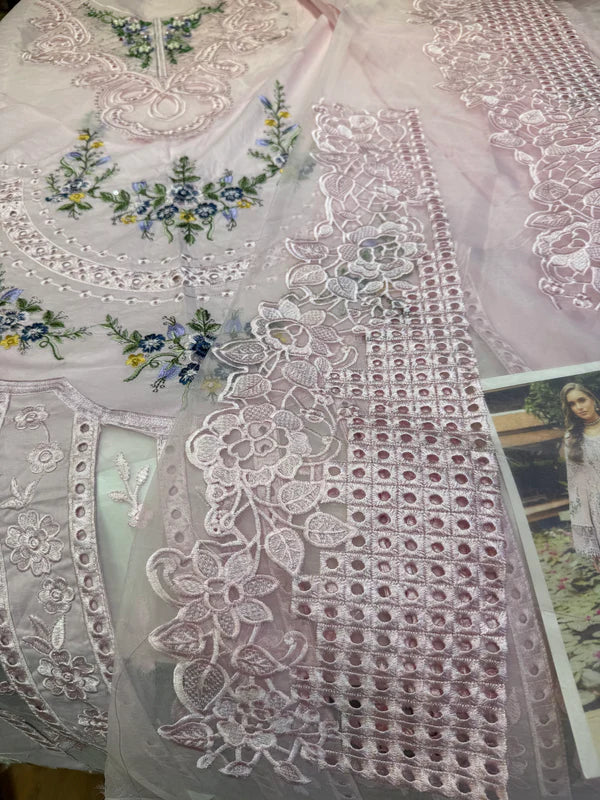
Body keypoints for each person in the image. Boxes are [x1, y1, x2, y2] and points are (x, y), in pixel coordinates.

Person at [560, 382, 600, 571]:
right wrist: (591, 541)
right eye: (572, 404)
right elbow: (577, 487)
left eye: (582, 400)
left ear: (593, 399)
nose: (579, 407)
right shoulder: (572, 438)